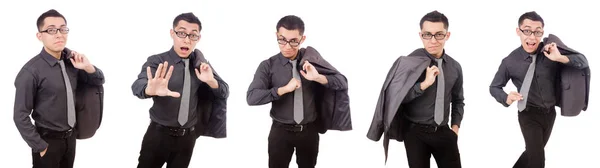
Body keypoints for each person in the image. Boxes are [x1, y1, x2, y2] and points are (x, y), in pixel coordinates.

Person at [246, 15, 352, 168]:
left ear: (302, 39)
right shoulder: (267, 66)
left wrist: (318, 77)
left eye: (293, 41)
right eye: (282, 40)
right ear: (276, 35)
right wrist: (282, 90)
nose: (287, 46)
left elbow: (342, 82)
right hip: (280, 132)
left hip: (309, 131)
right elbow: (252, 98)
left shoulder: (312, 60)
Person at [489, 11, 589, 168]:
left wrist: (559, 58)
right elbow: (494, 87)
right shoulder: (510, 61)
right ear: (518, 32)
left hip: (549, 114)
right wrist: (506, 97)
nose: (532, 37)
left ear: (542, 32)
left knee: (532, 153)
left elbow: (583, 61)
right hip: (528, 114)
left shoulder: (551, 51)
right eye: (527, 31)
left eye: (537, 32)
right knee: (537, 161)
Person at [131, 12, 229, 168]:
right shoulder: (157, 61)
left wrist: (211, 81)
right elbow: (137, 86)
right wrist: (149, 90)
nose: (187, 39)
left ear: (198, 38)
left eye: (193, 35)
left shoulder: (201, 64)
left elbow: (224, 92)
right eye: (182, 33)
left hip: (188, 138)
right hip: (158, 135)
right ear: (172, 33)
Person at [367, 10, 464, 168]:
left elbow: (458, 100)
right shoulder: (408, 63)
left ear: (447, 35)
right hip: (415, 133)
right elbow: (395, 99)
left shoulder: (455, 67)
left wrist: (455, 128)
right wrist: (423, 85)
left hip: (444, 132)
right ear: (421, 35)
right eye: (427, 34)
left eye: (439, 34)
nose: (433, 40)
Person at [13, 9, 106, 168]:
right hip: (47, 141)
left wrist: (88, 67)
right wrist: (40, 146)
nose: (59, 34)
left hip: (71, 138)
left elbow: (99, 80)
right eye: (51, 30)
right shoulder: (30, 72)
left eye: (63, 29)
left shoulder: (73, 62)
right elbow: (20, 115)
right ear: (40, 36)